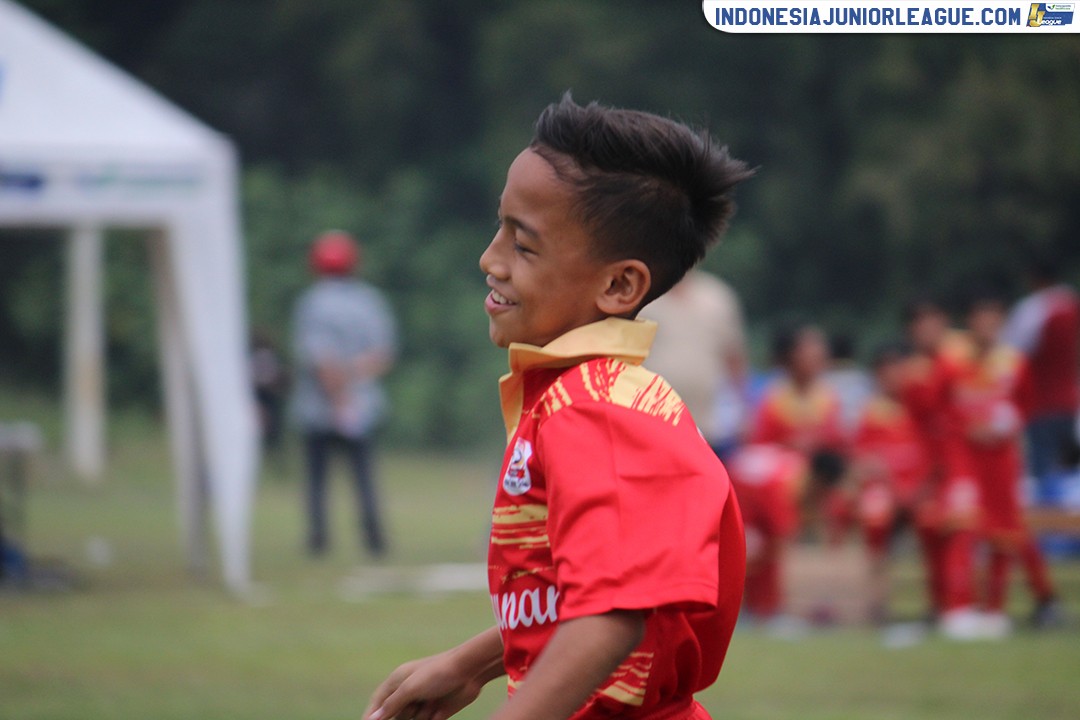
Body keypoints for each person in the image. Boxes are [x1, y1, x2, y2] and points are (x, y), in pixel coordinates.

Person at [364, 95, 751, 720]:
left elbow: (612, 615)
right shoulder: (582, 394)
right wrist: (470, 664)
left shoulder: (596, 413)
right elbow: (589, 595)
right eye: (500, 229)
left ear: (620, 286)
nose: (489, 259)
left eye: (525, 246)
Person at [958, 292, 1059, 634]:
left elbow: (1025, 406)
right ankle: (972, 607)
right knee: (981, 529)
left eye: (993, 319)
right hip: (968, 461)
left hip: (1002, 461)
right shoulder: (959, 363)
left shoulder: (1014, 363)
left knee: (1005, 531)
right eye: (980, 318)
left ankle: (997, 609)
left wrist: (1005, 424)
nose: (986, 326)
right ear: (970, 322)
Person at [291, 230, 396, 558]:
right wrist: (352, 383)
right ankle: (374, 539)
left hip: (319, 406)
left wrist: (337, 394)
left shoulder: (312, 302)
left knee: (317, 479)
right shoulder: (370, 300)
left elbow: (319, 359)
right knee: (363, 476)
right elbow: (382, 355)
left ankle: (318, 540)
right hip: (361, 405)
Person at [900, 297, 982, 639]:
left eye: (931, 322)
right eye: (918, 324)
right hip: (931, 469)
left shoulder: (959, 362)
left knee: (961, 532)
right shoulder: (916, 373)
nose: (925, 330)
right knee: (932, 534)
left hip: (962, 465)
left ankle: (960, 609)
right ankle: (941, 607)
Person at [849, 342, 936, 624]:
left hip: (921, 493)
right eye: (885, 373)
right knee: (875, 513)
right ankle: (877, 604)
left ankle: (940, 603)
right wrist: (890, 486)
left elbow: (935, 459)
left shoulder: (921, 410)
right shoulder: (870, 413)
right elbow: (862, 460)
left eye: (898, 371)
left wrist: (917, 491)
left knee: (935, 520)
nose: (893, 379)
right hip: (885, 494)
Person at [639, 269, 748, 458]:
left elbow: (733, 356)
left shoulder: (717, 298)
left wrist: (744, 406)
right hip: (651, 420)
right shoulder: (644, 298)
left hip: (708, 422)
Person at [1003, 255, 1080, 498]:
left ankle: (1049, 532)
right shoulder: (1072, 304)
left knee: (1043, 471)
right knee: (1071, 471)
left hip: (1042, 404)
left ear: (1033, 280)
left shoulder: (1033, 309)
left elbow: (1009, 354)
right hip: (1073, 402)